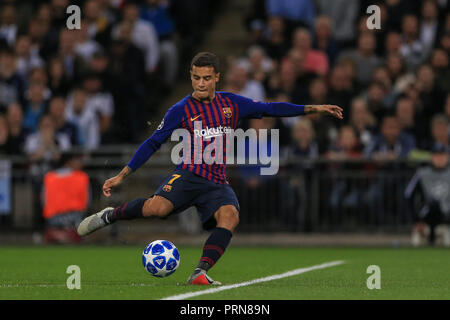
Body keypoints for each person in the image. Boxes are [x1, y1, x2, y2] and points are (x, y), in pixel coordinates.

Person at [77, 52, 343, 285]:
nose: (201, 83)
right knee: (156, 209)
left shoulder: (233, 103)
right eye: (196, 78)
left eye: (206, 78)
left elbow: (270, 107)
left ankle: (199, 273)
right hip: (188, 175)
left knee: (230, 217)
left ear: (217, 77)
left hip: (216, 182)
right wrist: (123, 175)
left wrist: (313, 108)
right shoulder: (179, 109)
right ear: (191, 77)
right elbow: (152, 142)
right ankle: (110, 215)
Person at [405, 148, 450, 246]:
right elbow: (409, 195)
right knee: (433, 204)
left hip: (447, 215)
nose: (440, 159)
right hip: (427, 215)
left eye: (442, 156)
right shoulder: (422, 173)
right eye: (437, 156)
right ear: (431, 158)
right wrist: (416, 220)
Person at [42, 152, 90, 244]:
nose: (80, 163)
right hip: (76, 220)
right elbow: (87, 200)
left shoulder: (49, 177)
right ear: (69, 162)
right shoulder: (82, 177)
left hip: (53, 220)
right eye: (77, 160)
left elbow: (44, 200)